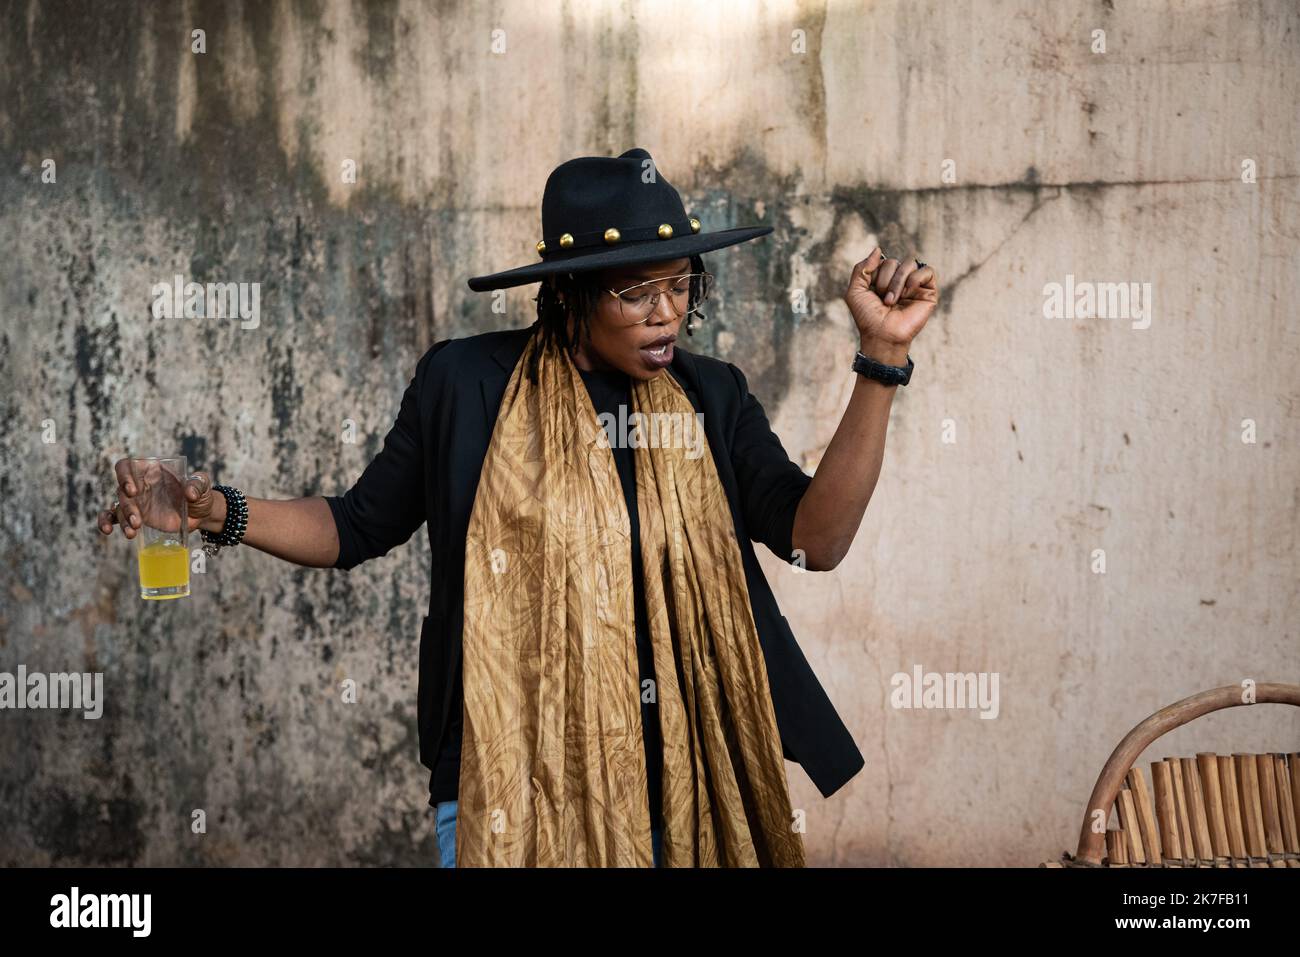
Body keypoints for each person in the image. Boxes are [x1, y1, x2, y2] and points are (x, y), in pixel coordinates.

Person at [97, 147, 939, 867]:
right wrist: (214, 514)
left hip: (679, 791)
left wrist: (881, 357)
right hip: (505, 784)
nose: (666, 311)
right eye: (635, 289)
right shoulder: (466, 387)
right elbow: (354, 526)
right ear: (569, 292)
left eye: (679, 283)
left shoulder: (710, 399)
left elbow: (816, 541)